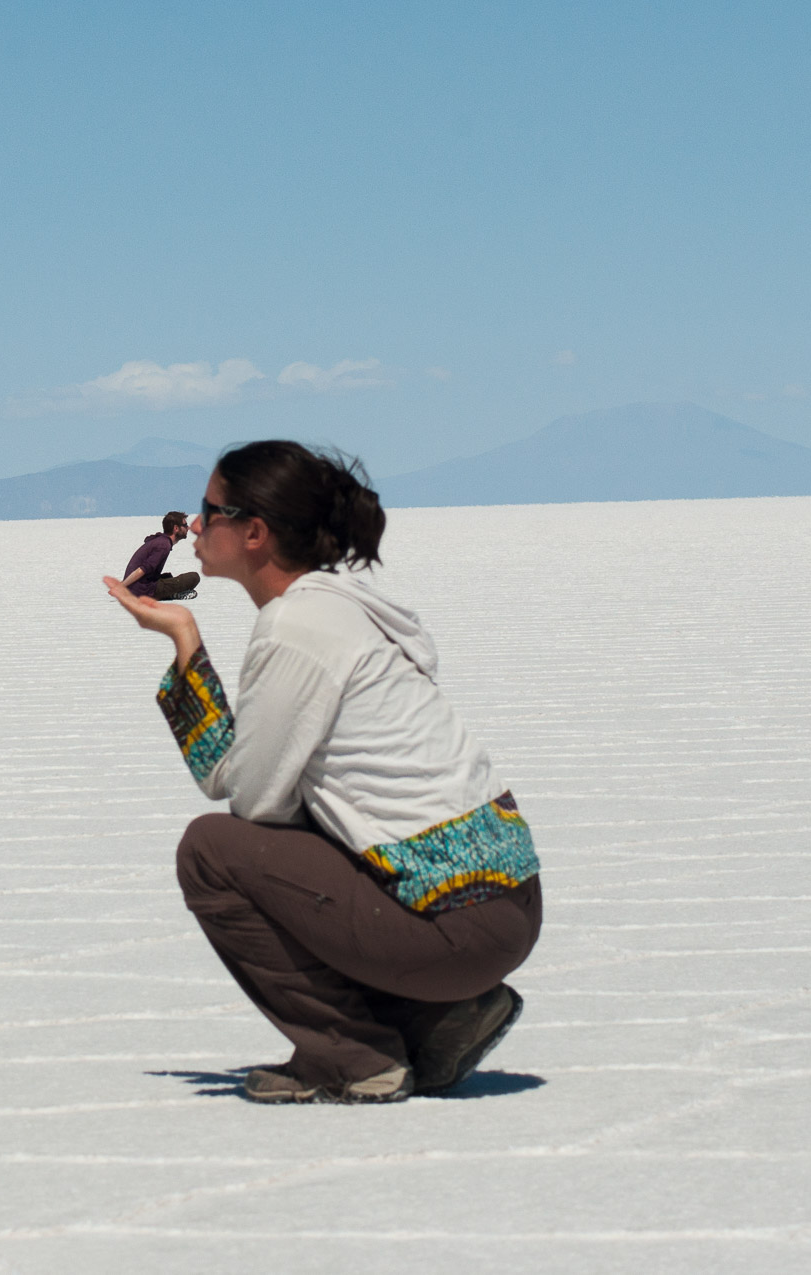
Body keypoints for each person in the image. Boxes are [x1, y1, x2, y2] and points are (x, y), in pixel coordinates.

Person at [101, 441, 542, 1104]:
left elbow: (246, 797)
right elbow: (253, 778)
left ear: (254, 532)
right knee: (291, 827)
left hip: (460, 926)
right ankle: (436, 1016)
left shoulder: (299, 628)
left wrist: (187, 645)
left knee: (213, 851)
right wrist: (185, 641)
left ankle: (355, 1056)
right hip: (501, 908)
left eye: (209, 511)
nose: (194, 527)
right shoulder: (335, 606)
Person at [119, 513, 201, 601]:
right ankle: (172, 594)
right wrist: (121, 586)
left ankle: (170, 593)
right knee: (194, 577)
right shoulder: (163, 545)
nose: (188, 528)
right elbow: (143, 569)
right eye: (185, 525)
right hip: (142, 590)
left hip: (137, 588)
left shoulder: (160, 541)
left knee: (167, 577)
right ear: (176, 528)